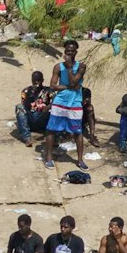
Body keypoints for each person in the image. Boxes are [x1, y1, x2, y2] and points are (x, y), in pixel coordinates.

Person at [43, 40, 86, 170]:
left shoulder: (81, 66)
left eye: (72, 51)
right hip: (60, 102)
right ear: (64, 51)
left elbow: (74, 82)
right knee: (51, 129)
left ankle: (80, 160)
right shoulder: (58, 67)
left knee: (78, 132)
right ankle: (49, 158)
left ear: (76, 52)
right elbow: (53, 85)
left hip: (75, 102)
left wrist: (68, 68)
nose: (70, 52)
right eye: (67, 50)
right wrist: (68, 86)